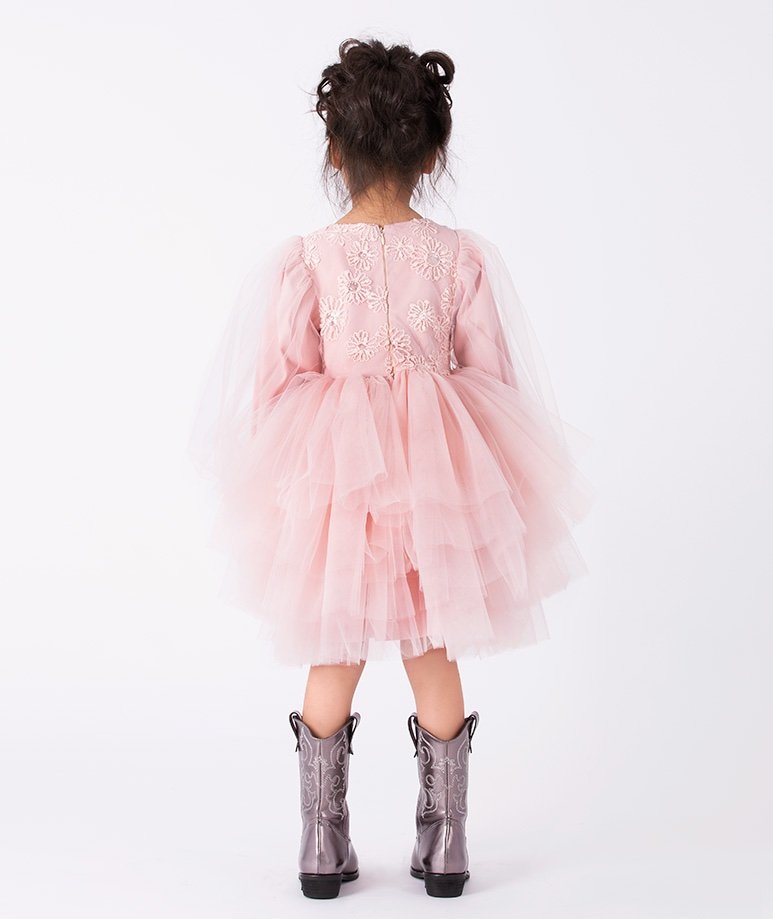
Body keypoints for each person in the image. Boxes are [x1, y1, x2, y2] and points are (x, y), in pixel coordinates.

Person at [187, 37, 592, 900]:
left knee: (332, 646)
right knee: (431, 642)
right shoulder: (458, 256)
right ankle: (445, 842)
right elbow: (491, 374)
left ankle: (320, 841)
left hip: (340, 479)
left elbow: (280, 380)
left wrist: (306, 453)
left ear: (334, 151)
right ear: (432, 155)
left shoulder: (306, 260)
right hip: (438, 477)